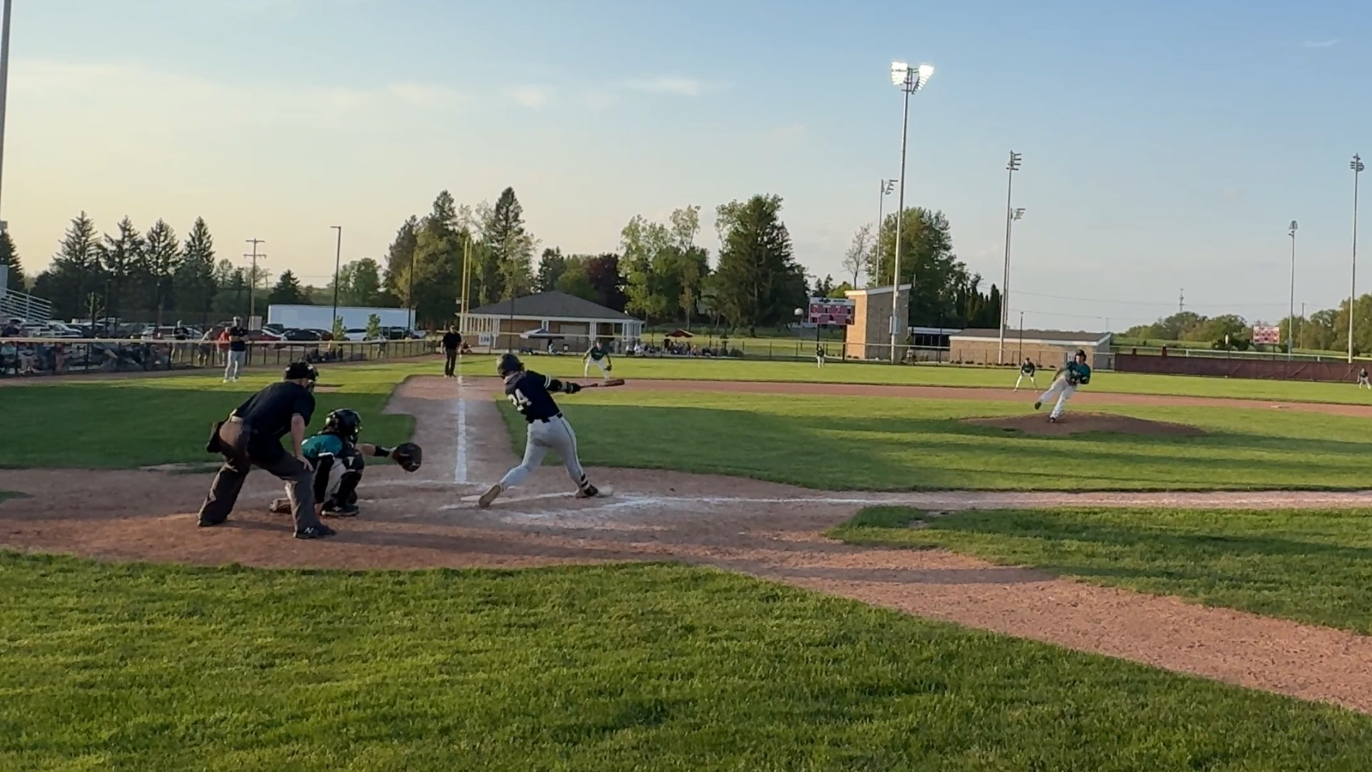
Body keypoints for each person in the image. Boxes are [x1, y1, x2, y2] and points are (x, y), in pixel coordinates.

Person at [198, 361, 335, 539]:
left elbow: (235, 412)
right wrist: (298, 454)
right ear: (302, 380)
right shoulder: (302, 395)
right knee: (300, 473)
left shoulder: (272, 388)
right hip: (251, 436)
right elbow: (297, 421)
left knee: (234, 468)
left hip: (227, 430)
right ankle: (307, 527)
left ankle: (209, 516)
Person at [478, 353, 600, 508]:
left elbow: (539, 392)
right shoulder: (528, 376)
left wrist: (567, 388)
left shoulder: (509, 389)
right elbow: (554, 384)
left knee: (526, 467)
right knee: (571, 460)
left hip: (535, 430)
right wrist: (570, 387)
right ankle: (585, 488)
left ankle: (502, 485)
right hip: (555, 425)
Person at [268, 408, 422, 518]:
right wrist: (319, 501)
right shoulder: (332, 442)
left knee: (350, 493)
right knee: (355, 460)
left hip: (299, 485)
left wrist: (390, 453)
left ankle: (299, 502)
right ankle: (332, 506)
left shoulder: (326, 439)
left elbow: (361, 448)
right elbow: (323, 469)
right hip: (309, 485)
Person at [1034, 349, 1091, 423]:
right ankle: (1040, 401)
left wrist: (1080, 381)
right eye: (1077, 356)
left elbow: (1087, 380)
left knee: (1062, 398)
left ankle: (1053, 416)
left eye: (1080, 356)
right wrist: (1055, 376)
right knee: (1053, 388)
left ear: (1084, 357)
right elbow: (1062, 369)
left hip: (1072, 385)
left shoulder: (1086, 369)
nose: (1079, 357)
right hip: (1064, 379)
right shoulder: (1071, 363)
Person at [223, 317, 248, 382]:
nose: (238, 322)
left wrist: (237, 338)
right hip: (233, 349)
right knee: (231, 364)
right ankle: (226, 378)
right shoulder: (232, 329)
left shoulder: (244, 330)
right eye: (236, 321)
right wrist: (240, 338)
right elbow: (231, 338)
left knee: (240, 365)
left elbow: (246, 338)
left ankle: (236, 378)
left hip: (242, 350)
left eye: (239, 321)